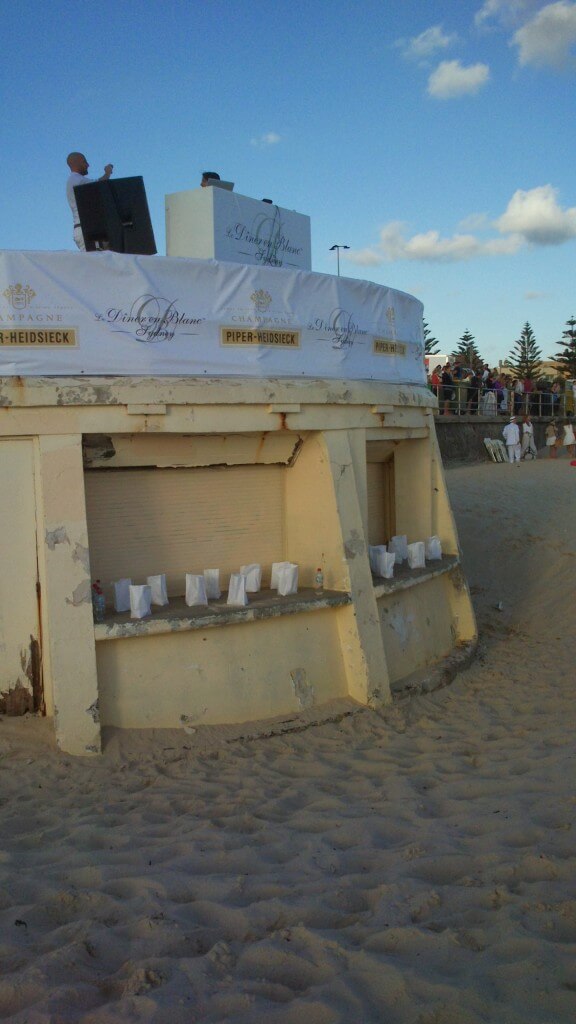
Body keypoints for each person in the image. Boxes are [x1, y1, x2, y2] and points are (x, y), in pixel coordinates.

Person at [66, 152, 113, 251]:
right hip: (86, 229)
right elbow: (100, 183)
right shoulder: (76, 179)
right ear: (76, 163)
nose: (88, 165)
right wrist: (108, 172)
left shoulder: (75, 180)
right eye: (84, 161)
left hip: (85, 229)